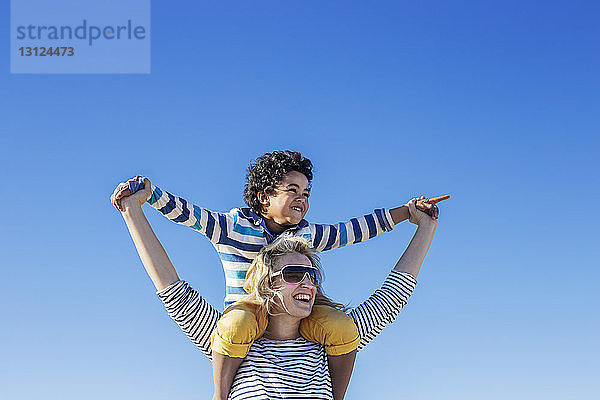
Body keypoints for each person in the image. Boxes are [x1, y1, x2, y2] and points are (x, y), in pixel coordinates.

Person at [111, 150, 440, 399]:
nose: (309, 282)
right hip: (244, 313)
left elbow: (371, 255)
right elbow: (172, 280)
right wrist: (139, 204)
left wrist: (418, 220)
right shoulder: (232, 340)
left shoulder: (323, 336)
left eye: (313, 274)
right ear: (263, 198)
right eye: (296, 273)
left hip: (310, 333)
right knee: (235, 325)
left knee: (343, 328)